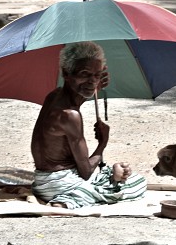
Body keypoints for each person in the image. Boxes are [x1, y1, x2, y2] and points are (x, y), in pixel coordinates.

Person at [31, 41, 147, 209]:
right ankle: (69, 200)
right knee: (138, 183)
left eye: (97, 75)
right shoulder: (70, 116)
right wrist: (102, 143)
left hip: (43, 180)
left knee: (114, 177)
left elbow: (75, 97)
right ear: (66, 73)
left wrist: (92, 85)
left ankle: (106, 181)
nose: (92, 81)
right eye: (85, 74)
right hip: (60, 183)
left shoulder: (54, 95)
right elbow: (85, 172)